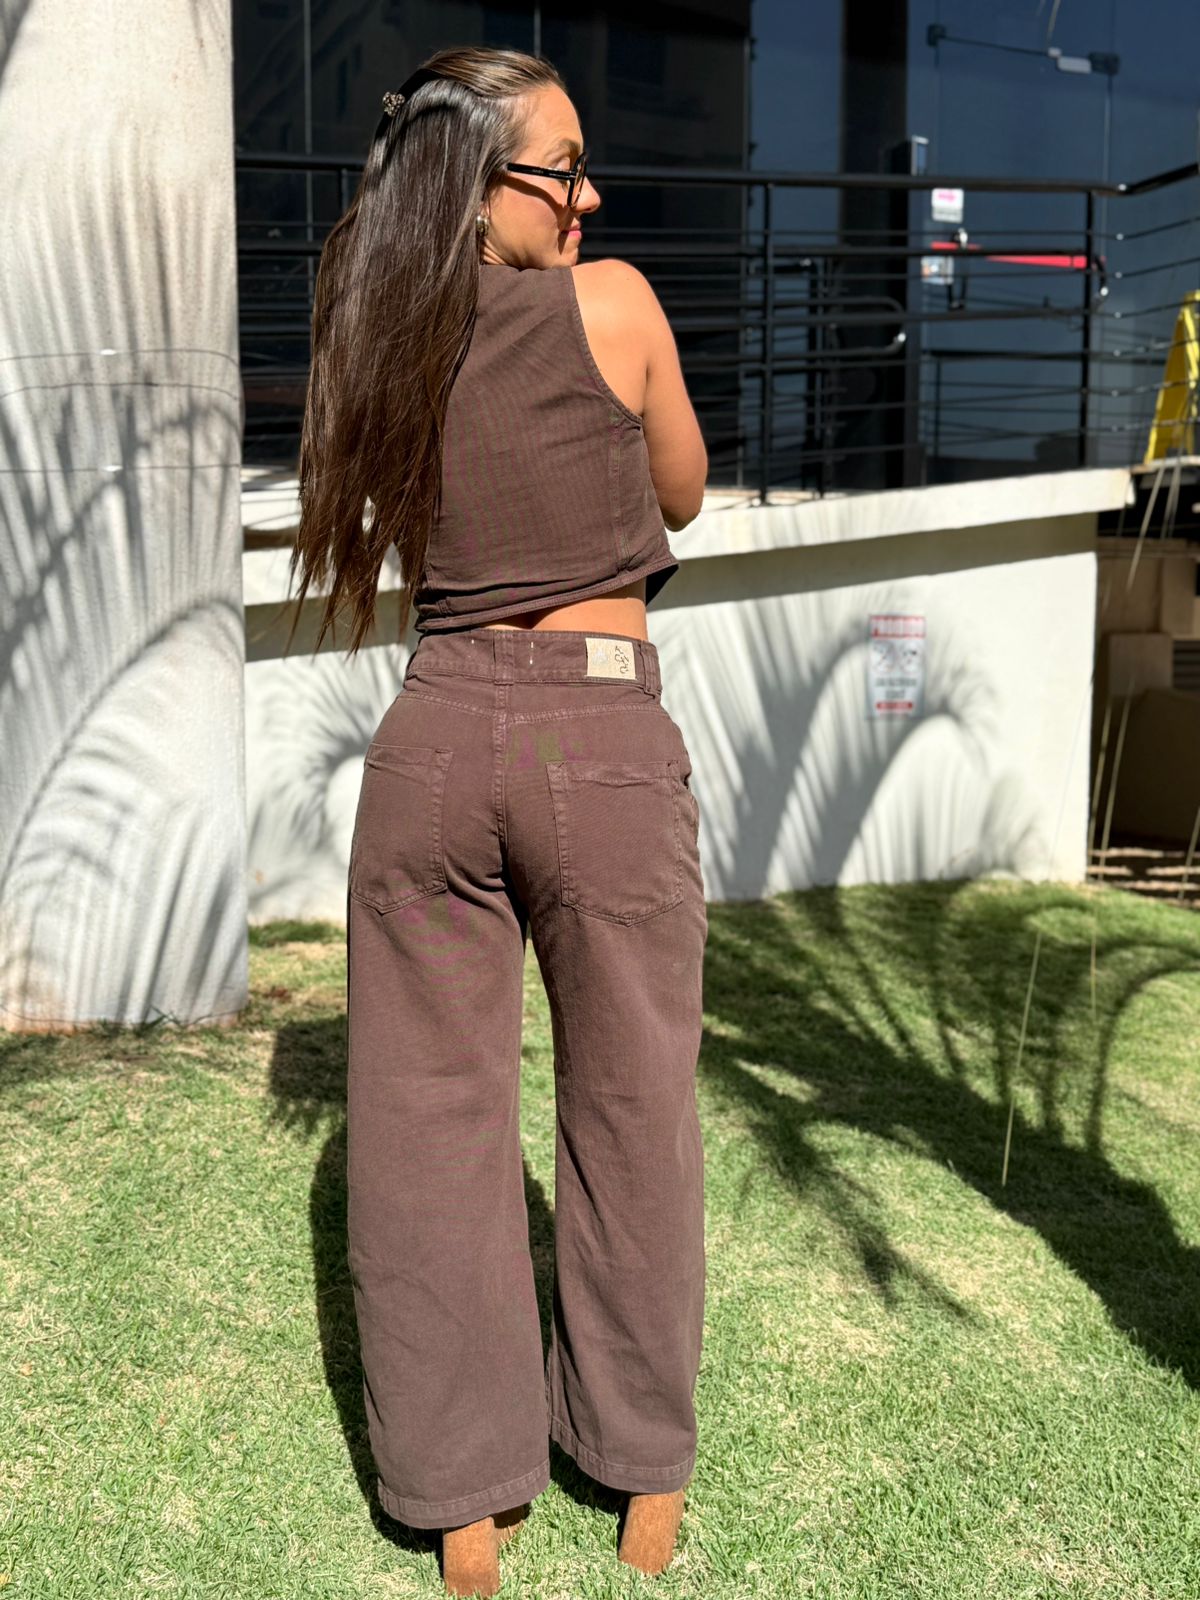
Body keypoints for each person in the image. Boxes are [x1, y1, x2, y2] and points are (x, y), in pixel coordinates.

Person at [289, 44, 709, 1599]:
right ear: (479, 187)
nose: (591, 197)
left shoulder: (382, 342)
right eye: (565, 169)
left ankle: (463, 1503)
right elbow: (682, 494)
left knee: (426, 1124)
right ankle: (640, 1472)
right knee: (634, 1109)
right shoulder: (621, 308)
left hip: (432, 745)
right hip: (598, 734)